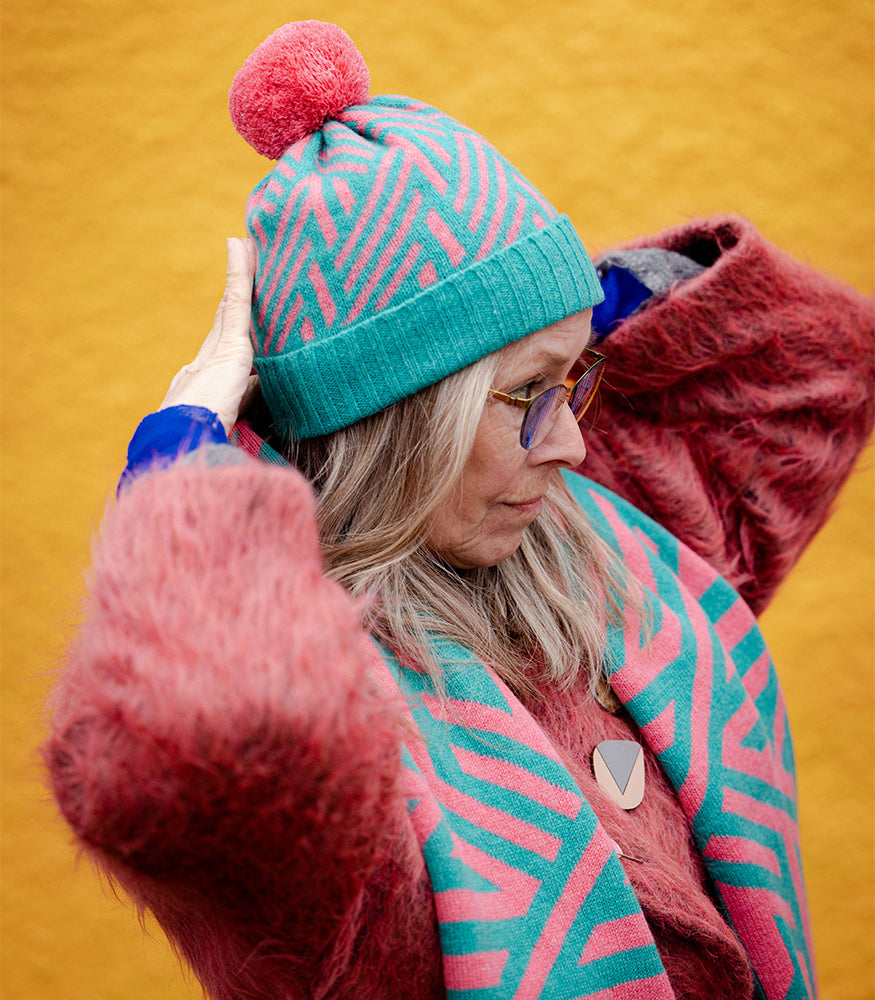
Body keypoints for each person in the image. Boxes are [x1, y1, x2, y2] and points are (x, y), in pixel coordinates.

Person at [45, 20, 874, 1000]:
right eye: (527, 396)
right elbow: (187, 762)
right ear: (405, 426)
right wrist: (180, 467)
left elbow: (812, 378)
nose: (567, 440)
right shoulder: (340, 752)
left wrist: (566, 321)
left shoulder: (593, 550)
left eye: (577, 381)